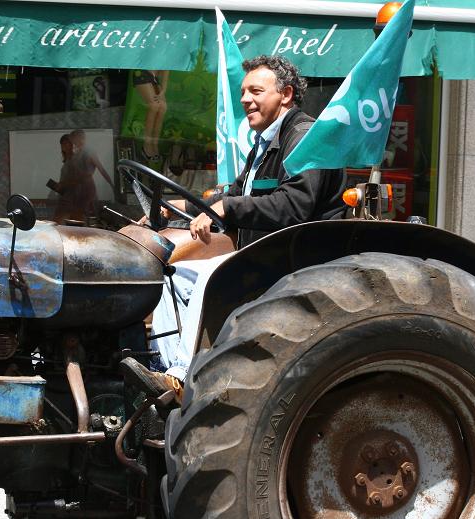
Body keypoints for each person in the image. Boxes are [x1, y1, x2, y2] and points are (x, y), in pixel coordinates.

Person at [121, 55, 346, 402]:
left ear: (285, 94)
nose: (245, 99)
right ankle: (163, 373)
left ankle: (180, 377)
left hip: (296, 260)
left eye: (256, 91)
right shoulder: (264, 142)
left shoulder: (303, 137)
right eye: (243, 92)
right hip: (262, 255)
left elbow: (293, 206)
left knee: (212, 275)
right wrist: (173, 206)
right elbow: (236, 194)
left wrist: (226, 208)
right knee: (168, 274)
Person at [67, 129, 115, 218]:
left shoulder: (89, 152)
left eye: (74, 139)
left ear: (80, 138)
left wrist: (111, 184)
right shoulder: (76, 153)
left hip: (87, 186)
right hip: (77, 187)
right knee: (78, 214)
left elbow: (101, 169)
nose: (73, 142)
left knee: (88, 213)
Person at [133, 70, 169, 163]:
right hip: (142, 72)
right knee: (154, 106)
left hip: (153, 78)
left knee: (163, 108)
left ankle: (155, 143)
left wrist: (162, 91)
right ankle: (147, 144)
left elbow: (165, 74)